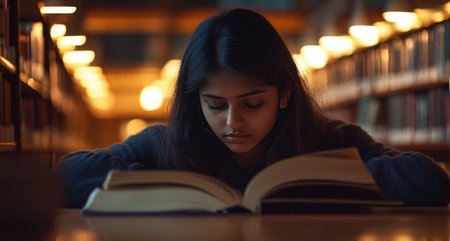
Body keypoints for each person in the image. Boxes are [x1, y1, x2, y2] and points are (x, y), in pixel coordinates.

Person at [56, 8, 449, 208]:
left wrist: (328, 177)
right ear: (196, 102)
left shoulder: (330, 139)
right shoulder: (165, 146)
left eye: (252, 103)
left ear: (283, 94)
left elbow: (430, 180)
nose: (233, 122)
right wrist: (154, 184)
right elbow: (66, 175)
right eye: (214, 105)